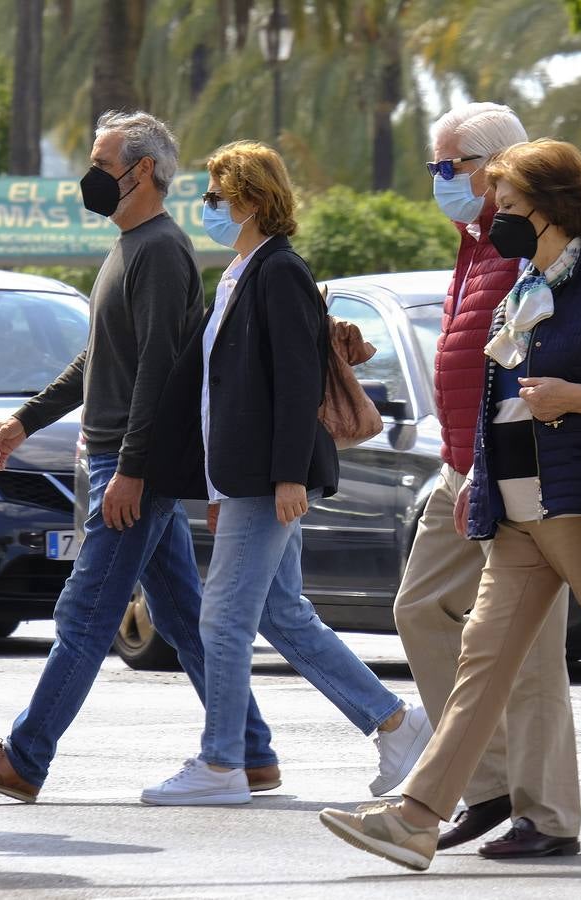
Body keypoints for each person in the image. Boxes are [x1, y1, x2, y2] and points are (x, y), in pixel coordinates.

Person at [319, 139, 581, 872]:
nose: (495, 220)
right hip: (515, 513)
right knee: (481, 663)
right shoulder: (523, 288)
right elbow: (499, 394)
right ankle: (416, 817)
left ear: (552, 209)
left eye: (507, 207)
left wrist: (575, 399)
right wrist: (481, 470)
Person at [0, 111, 279, 801]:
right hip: (118, 457)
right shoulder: (131, 247)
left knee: (84, 614)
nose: (91, 178)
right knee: (181, 617)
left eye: (102, 164)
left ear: (143, 171)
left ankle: (24, 758)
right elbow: (104, 357)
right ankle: (251, 749)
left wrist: (132, 468)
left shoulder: (159, 251)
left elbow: (159, 367)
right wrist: (27, 418)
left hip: (129, 464)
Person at [140, 141, 429, 806]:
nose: (207, 207)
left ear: (247, 200)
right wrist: (217, 483)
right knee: (282, 614)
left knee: (221, 620)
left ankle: (219, 766)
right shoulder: (240, 272)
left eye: (215, 196)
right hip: (241, 477)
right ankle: (395, 721)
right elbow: (224, 391)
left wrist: (288, 475)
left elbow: (295, 381)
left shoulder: (279, 272)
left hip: (267, 478)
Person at [390, 102, 581, 857]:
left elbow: (533, 369)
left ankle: (547, 816)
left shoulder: (526, 249)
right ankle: (491, 785)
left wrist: (493, 462)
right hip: (460, 463)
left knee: (530, 648)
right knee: (419, 608)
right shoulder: (473, 245)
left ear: (495, 166)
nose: (438, 180)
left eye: (448, 167)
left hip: (517, 468)